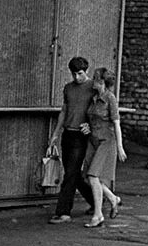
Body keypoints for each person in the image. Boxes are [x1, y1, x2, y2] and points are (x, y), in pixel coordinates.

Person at [47, 56, 96, 224]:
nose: (76, 77)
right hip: (67, 133)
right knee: (73, 174)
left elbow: (100, 111)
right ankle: (97, 201)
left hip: (82, 136)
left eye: (80, 73)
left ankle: (63, 212)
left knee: (70, 174)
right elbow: (64, 110)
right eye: (73, 74)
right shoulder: (68, 88)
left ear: (86, 71)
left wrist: (90, 126)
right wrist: (56, 132)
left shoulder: (93, 87)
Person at [83, 68, 127, 227]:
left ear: (101, 82)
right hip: (93, 140)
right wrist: (87, 127)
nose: (92, 80)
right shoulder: (94, 98)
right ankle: (113, 198)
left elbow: (116, 123)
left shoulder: (110, 99)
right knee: (88, 176)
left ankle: (98, 215)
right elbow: (92, 118)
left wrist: (120, 147)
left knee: (94, 176)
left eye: (95, 78)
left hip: (106, 141)